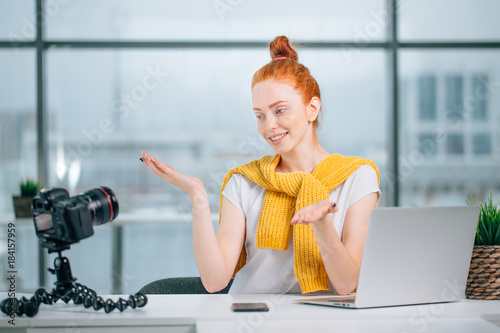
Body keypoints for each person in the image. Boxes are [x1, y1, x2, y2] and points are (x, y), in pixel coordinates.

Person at [140, 36, 381, 295]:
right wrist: (197, 195)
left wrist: (322, 225)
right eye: (260, 115)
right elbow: (214, 281)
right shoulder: (243, 181)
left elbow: (348, 284)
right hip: (250, 318)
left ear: (312, 109)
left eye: (279, 111)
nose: (269, 126)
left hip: (325, 321)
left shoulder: (358, 177)